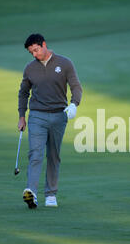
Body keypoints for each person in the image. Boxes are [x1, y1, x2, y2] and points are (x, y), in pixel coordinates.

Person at [17, 33, 82, 209]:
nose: (34, 55)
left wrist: (74, 104)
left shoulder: (64, 63)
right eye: (31, 52)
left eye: (36, 50)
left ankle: (51, 194)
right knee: (35, 153)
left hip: (59, 116)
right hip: (37, 115)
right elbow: (23, 92)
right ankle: (31, 192)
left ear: (44, 45)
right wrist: (22, 116)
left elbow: (76, 86)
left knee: (53, 155)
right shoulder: (30, 68)